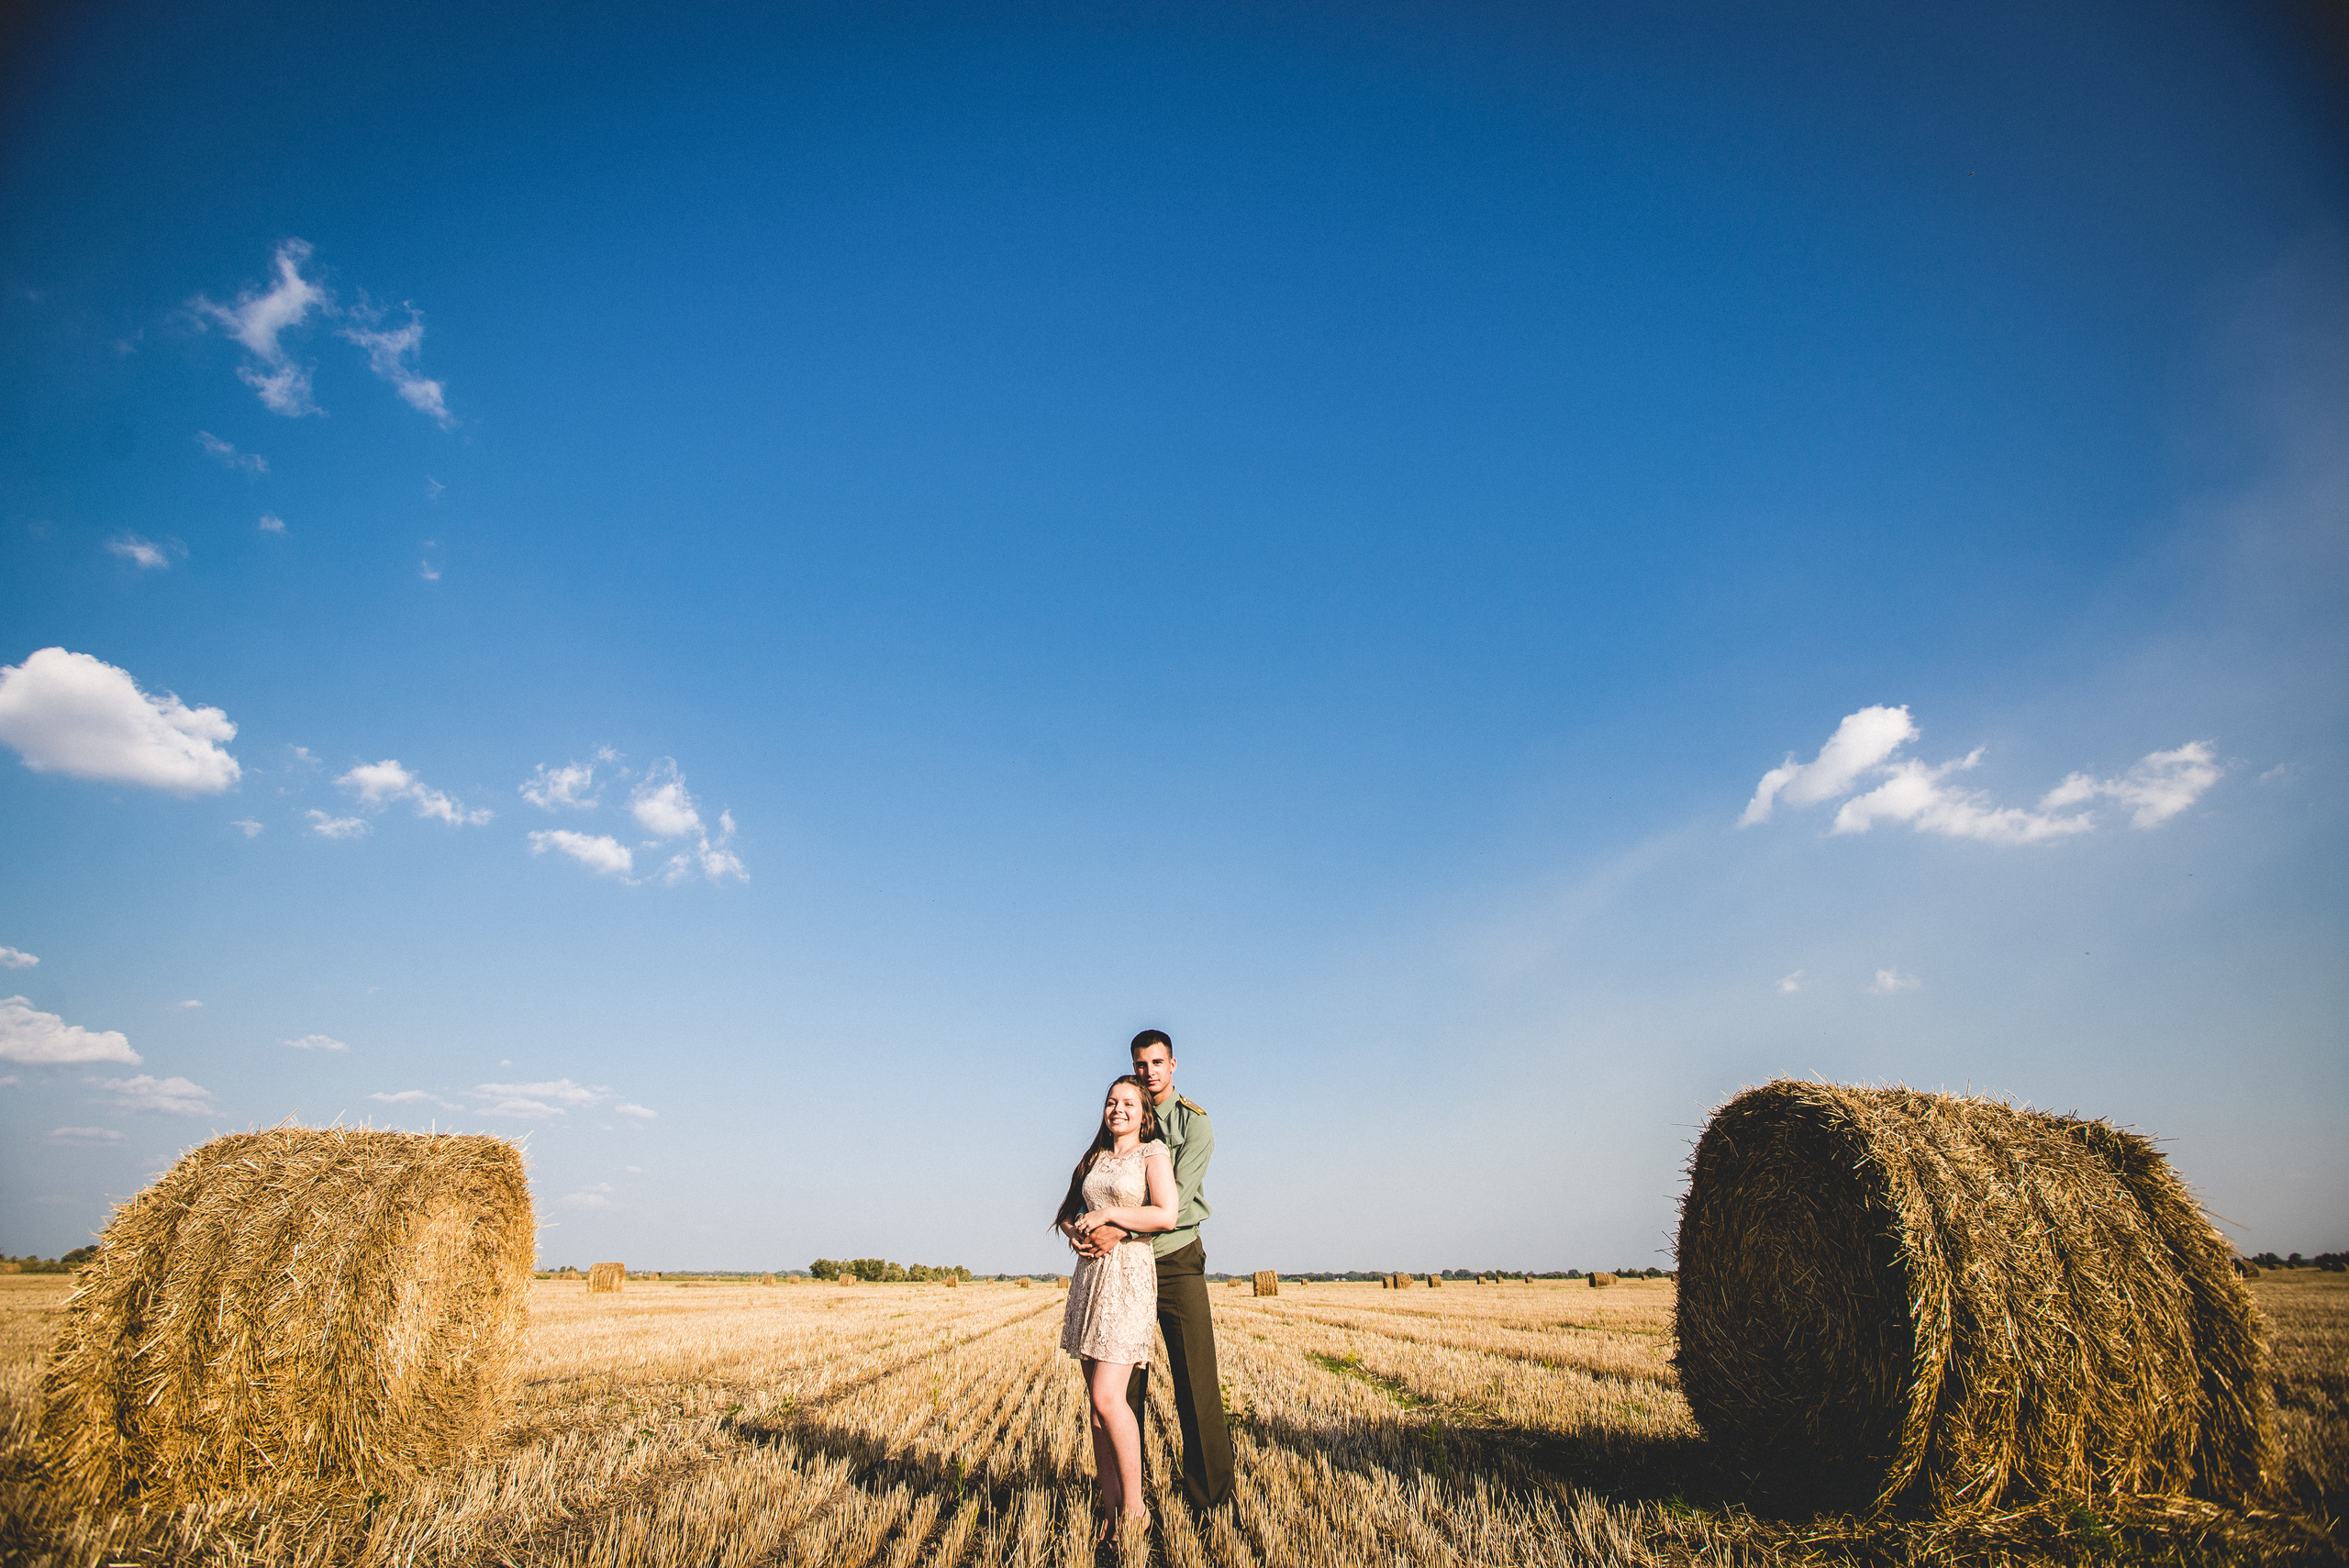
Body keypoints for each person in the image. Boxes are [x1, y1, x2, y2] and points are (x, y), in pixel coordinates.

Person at [1072, 1029, 1234, 1510]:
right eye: (1140, 1064)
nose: (1148, 1072)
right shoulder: (1124, 1125)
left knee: (1195, 1382)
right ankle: (1127, 1499)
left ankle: (1211, 1500)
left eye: (1156, 1063)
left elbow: (1174, 1204)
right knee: (1122, 1392)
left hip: (1176, 1260)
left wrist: (1116, 1228)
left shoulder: (1193, 1125)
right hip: (1123, 1270)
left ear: (1173, 1065)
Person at [1054, 1073, 1179, 1537]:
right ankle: (1108, 1511)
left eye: (1128, 1102)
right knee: (1096, 1403)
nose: (1117, 1109)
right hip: (1091, 1278)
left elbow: (1166, 1213)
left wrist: (1108, 1215)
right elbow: (1067, 1212)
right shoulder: (1096, 1158)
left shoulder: (1153, 1153)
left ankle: (1135, 1507)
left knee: (1110, 1397)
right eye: (1111, 1102)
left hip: (1128, 1276)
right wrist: (1078, 1233)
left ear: (1144, 1114)